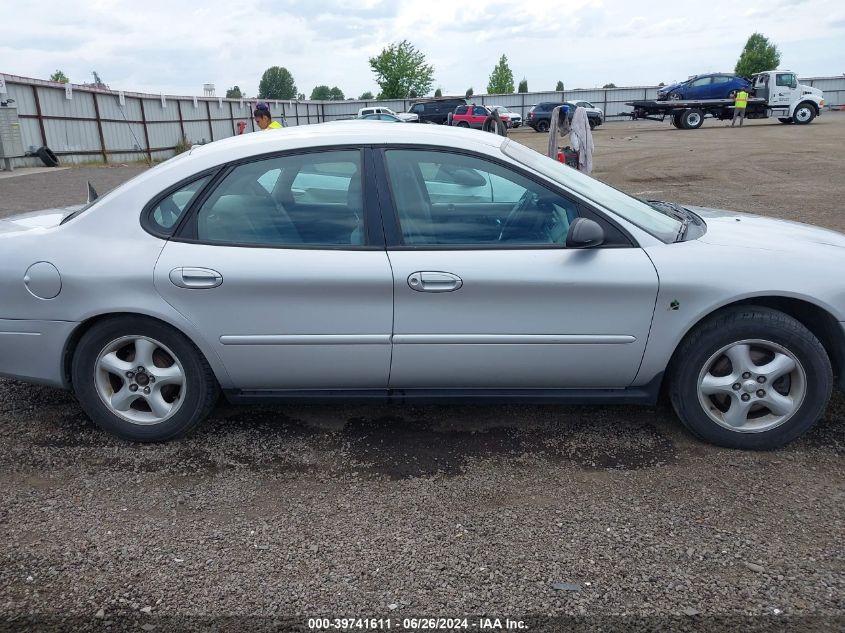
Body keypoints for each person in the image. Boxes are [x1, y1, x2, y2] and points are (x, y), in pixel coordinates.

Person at [569, 106, 594, 175]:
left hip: (579, 153)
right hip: (587, 152)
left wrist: (577, 150)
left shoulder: (574, 127)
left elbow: (575, 144)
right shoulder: (587, 128)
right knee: (586, 169)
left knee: (579, 170)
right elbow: (591, 143)